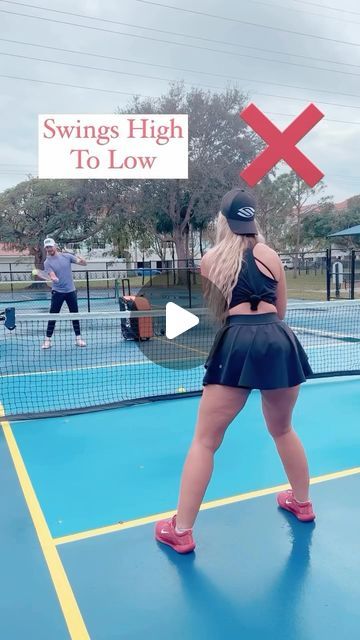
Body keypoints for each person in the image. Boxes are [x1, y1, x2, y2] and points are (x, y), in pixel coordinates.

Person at [155, 188, 315, 554]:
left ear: (222, 222)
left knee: (205, 441)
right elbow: (281, 309)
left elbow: (220, 315)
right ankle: (302, 503)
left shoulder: (211, 259)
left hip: (238, 343)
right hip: (278, 340)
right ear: (253, 220)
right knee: (284, 428)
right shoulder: (271, 255)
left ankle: (181, 530)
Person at [41, 237, 87, 349]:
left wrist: (83, 260)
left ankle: (78, 339)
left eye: (50, 246)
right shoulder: (47, 262)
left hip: (71, 291)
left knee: (75, 315)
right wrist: (54, 278)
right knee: (53, 315)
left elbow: (83, 264)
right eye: (47, 247)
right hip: (58, 292)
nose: (49, 249)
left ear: (55, 246)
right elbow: (52, 275)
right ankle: (47, 340)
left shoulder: (67, 256)